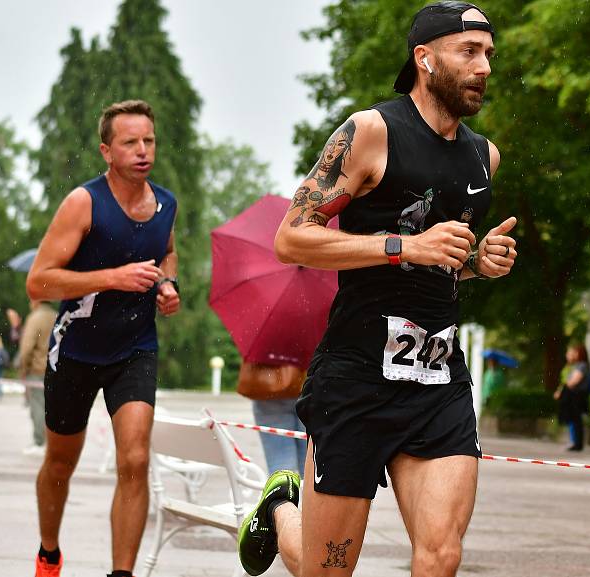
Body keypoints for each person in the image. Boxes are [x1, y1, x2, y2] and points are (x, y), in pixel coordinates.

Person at [237, 4, 516, 576]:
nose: (484, 66)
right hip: (358, 376)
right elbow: (292, 239)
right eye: (468, 51)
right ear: (424, 57)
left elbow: (438, 261)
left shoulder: (482, 157)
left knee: (441, 556)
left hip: (437, 381)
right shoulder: (371, 132)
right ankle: (280, 509)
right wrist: (402, 245)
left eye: (488, 53)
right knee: (326, 568)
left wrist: (474, 265)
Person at [26, 99, 180, 577]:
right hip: (75, 349)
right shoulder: (83, 202)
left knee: (134, 457)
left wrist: (167, 284)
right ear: (106, 151)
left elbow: (167, 252)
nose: (142, 150)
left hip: (134, 349)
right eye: (130, 142)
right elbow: (39, 283)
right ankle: (49, 552)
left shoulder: (166, 203)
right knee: (60, 463)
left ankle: (122, 573)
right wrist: (111, 277)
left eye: (148, 140)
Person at [17, 299, 57, 456]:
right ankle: (53, 443)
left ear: (36, 301)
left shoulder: (35, 318)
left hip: (38, 369)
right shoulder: (56, 315)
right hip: (55, 368)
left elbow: (27, 347)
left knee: (38, 407)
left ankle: (40, 442)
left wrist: (24, 367)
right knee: (52, 408)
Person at [555, 344, 590, 451]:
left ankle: (577, 443)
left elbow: (573, 381)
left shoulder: (582, 366)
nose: (571, 355)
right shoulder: (575, 366)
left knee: (576, 419)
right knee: (573, 419)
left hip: (577, 396)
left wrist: (566, 385)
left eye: (574, 352)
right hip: (574, 395)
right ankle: (574, 442)